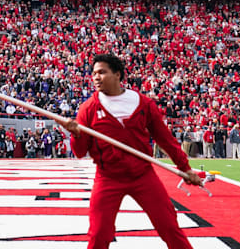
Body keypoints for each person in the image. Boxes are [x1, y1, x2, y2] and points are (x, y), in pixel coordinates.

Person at [62, 54, 202, 249]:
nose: (96, 77)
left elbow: (166, 140)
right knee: (99, 234)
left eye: (102, 72)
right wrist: (76, 135)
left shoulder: (143, 104)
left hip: (143, 175)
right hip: (108, 177)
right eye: (94, 73)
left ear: (117, 74)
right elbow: (79, 152)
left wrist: (185, 168)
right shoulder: (88, 109)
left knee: (169, 226)